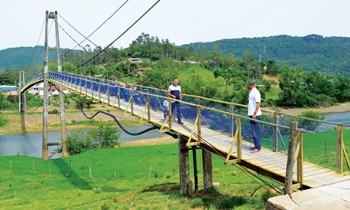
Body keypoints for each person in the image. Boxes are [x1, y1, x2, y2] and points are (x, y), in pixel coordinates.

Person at [247, 80, 262, 153]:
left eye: (247, 84)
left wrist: (255, 113)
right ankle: (256, 145)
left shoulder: (256, 92)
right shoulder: (252, 91)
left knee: (256, 131)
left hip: (255, 115)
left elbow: (258, 103)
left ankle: (258, 147)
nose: (247, 86)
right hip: (252, 114)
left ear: (250, 85)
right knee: (254, 131)